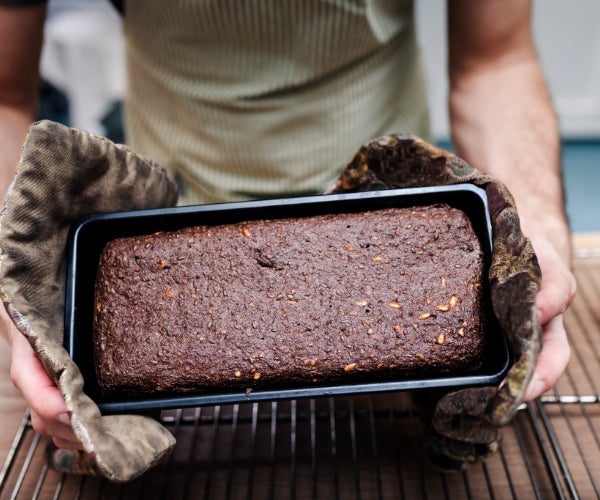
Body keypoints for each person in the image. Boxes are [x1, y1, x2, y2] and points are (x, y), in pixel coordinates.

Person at [0, 0, 576, 453]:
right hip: (169, 214)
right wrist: (20, 283)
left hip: (392, 204)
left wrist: (536, 234)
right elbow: (6, 98)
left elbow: (496, 61)